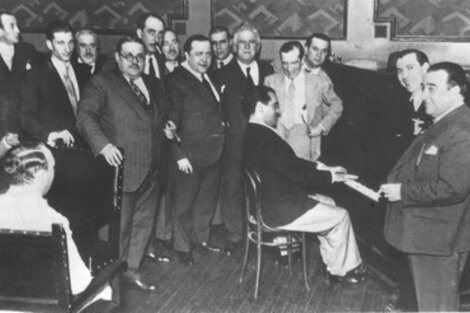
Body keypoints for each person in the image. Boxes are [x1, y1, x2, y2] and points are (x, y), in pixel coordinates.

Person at [242, 85, 367, 284]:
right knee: (341, 215)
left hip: (271, 203)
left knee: (329, 202)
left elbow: (289, 164)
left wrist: (321, 168)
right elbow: (295, 172)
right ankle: (347, 271)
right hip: (281, 210)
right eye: (274, 105)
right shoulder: (266, 138)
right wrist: (331, 177)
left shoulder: (252, 133)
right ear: (259, 107)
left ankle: (334, 266)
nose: (278, 111)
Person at [77, 35, 173, 292]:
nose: (134, 61)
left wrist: (166, 126)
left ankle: (131, 269)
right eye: (128, 55)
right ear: (117, 57)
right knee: (119, 228)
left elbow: (159, 116)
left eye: (139, 56)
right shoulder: (102, 83)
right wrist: (103, 146)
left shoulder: (154, 83)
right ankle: (111, 279)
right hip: (122, 168)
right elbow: (85, 116)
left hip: (153, 165)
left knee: (143, 221)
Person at [380, 62, 470, 311]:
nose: (425, 94)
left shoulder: (462, 130)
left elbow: (453, 188)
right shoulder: (444, 122)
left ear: (455, 92)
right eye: (424, 87)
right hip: (424, 235)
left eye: (432, 88)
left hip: (438, 240)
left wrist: (402, 191)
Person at [0, 142, 112, 307]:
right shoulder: (54, 221)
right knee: (104, 288)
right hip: (42, 308)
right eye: (53, 168)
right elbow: (78, 284)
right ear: (40, 175)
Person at [214, 23, 273, 255]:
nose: (247, 47)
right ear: (234, 46)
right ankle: (234, 235)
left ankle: (265, 233)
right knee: (233, 189)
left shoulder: (269, 72)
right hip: (234, 143)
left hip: (264, 143)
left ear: (257, 47)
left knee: (264, 189)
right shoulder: (221, 74)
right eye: (242, 43)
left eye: (251, 43)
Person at [165, 34, 225, 266]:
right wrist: (178, 154)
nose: (204, 58)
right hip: (189, 155)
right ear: (187, 55)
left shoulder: (209, 76)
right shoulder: (174, 80)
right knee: (183, 204)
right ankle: (182, 247)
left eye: (208, 54)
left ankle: (201, 238)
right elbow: (170, 120)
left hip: (214, 151)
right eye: (199, 54)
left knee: (205, 201)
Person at [264, 41, 342, 161]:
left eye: (294, 63)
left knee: (300, 174)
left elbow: (337, 105)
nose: (289, 69)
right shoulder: (270, 81)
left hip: (303, 137)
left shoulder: (319, 82)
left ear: (302, 59)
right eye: (285, 63)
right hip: (277, 134)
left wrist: (321, 127)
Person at [20, 20, 90, 148]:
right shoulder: (35, 74)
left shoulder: (84, 71)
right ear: (49, 44)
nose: (67, 49)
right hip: (57, 148)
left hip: (86, 146)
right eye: (60, 43)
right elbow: (26, 117)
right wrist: (49, 135)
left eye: (70, 42)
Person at [383, 49, 434, 171]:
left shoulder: (438, 103)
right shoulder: (396, 102)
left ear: (425, 68)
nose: (404, 76)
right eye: (400, 71)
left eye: (410, 68)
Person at [0, 10, 41, 139]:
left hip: (26, 128)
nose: (18, 30)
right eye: (12, 26)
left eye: (17, 25)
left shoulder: (28, 50)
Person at [136, 13, 165, 79]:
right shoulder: (131, 60)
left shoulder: (162, 59)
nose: (156, 39)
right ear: (139, 33)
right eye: (151, 33)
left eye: (160, 34)